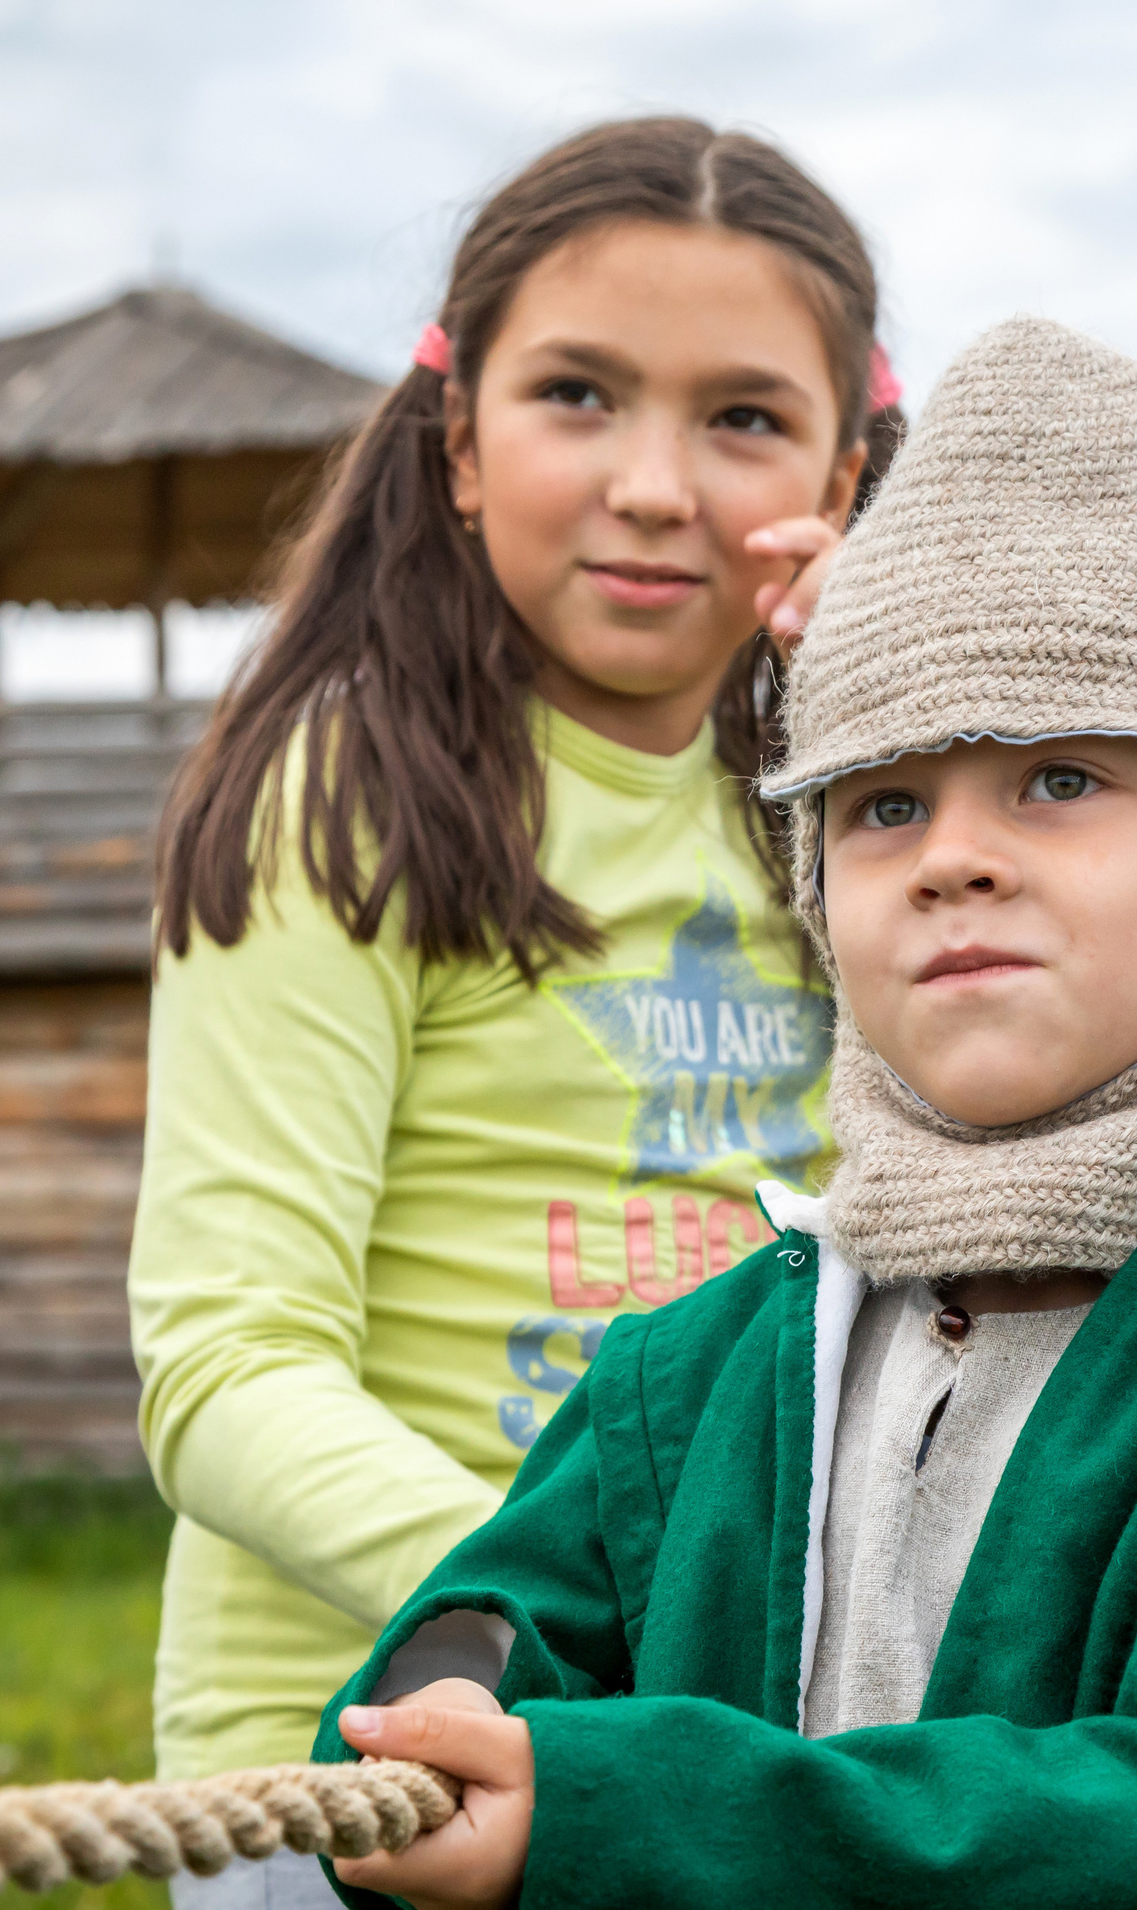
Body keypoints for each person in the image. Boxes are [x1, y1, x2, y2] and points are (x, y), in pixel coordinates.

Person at [310, 317, 1137, 1910]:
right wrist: (451, 1716)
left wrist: (613, 1806)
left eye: (1058, 776)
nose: (953, 853)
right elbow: (474, 1648)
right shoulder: (701, 1368)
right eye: (882, 802)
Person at [129, 117, 892, 1906]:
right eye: (578, 395)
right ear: (460, 442)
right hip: (359, 1751)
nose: (653, 482)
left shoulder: (872, 806)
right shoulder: (349, 791)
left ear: (846, 470)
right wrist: (560, 1602)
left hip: (735, 1738)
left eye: (744, 419)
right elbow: (226, 1366)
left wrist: (911, 702)